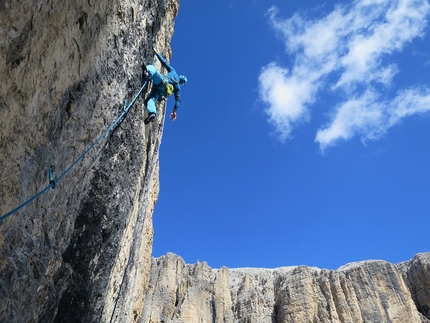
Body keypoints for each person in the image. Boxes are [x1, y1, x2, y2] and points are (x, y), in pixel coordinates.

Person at [143, 48, 187, 124]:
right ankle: (152, 112)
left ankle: (147, 73)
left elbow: (164, 63)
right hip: (159, 93)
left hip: (161, 83)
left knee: (153, 70)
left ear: (179, 77)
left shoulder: (173, 72)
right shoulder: (177, 88)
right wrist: (174, 111)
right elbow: (178, 100)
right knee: (150, 100)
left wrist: (157, 53)